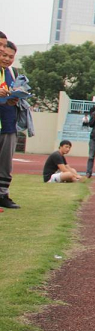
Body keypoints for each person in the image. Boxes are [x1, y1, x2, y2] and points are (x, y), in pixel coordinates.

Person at [0, 36, 21, 208]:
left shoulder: (12, 73)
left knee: (6, 163)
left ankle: (3, 194)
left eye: (11, 56)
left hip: (9, 123)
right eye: (4, 54)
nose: (7, 59)